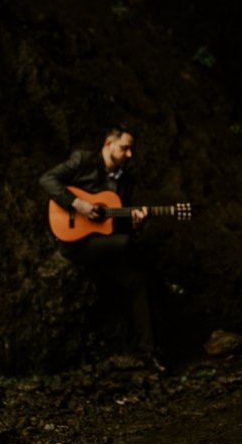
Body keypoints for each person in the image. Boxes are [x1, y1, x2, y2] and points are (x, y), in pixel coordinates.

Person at [39, 122, 167, 374]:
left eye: (131, 150)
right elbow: (47, 179)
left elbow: (117, 225)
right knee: (128, 245)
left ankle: (149, 352)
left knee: (138, 280)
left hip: (105, 245)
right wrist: (78, 204)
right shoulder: (83, 160)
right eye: (124, 148)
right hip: (74, 241)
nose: (129, 155)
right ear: (109, 144)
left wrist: (136, 222)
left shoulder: (126, 181)